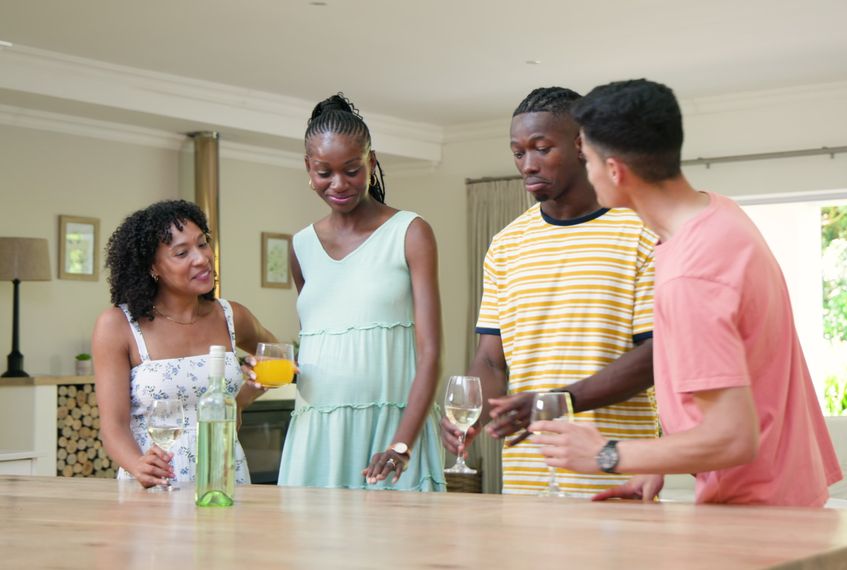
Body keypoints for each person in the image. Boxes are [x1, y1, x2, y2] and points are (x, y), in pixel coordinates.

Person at [532, 79, 842, 506]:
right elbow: (746, 368)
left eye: (588, 161)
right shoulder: (720, 214)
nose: (587, 173)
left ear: (615, 171)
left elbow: (734, 438)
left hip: (757, 517)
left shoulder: (691, 274)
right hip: (791, 491)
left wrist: (607, 454)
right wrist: (656, 463)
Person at [440, 87, 659, 497]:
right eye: (518, 153)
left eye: (541, 149)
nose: (528, 165)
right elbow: (490, 359)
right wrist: (468, 418)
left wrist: (556, 401)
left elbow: (655, 356)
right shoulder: (506, 244)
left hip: (618, 478)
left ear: (583, 146)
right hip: (528, 480)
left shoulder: (642, 231)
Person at [277, 93, 445, 491]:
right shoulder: (301, 246)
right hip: (316, 435)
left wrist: (402, 444)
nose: (338, 184)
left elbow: (431, 353)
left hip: (392, 436)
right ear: (308, 169)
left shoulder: (410, 232)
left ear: (371, 162)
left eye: (352, 170)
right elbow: (316, 342)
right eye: (324, 172)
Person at [93, 200, 277, 488]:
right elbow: (112, 426)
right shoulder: (118, 326)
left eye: (203, 244)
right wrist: (137, 464)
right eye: (182, 253)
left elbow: (278, 359)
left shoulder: (232, 316)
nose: (202, 258)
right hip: (156, 481)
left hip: (225, 474)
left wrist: (243, 398)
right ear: (152, 267)